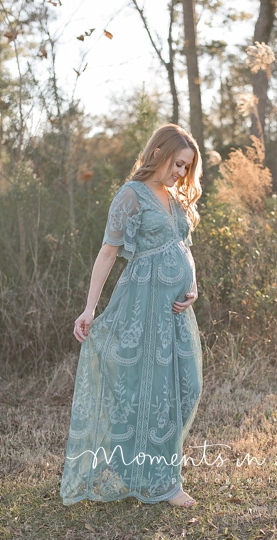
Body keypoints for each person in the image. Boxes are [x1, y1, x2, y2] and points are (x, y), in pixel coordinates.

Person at [61, 124, 204, 508]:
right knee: (148, 392)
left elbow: (182, 246)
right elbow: (108, 252)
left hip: (175, 312)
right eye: (178, 164)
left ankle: (146, 470)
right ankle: (160, 482)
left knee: (187, 388)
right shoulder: (131, 195)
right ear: (158, 152)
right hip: (142, 306)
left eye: (187, 168)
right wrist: (90, 308)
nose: (181, 173)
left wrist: (192, 287)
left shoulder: (175, 198)